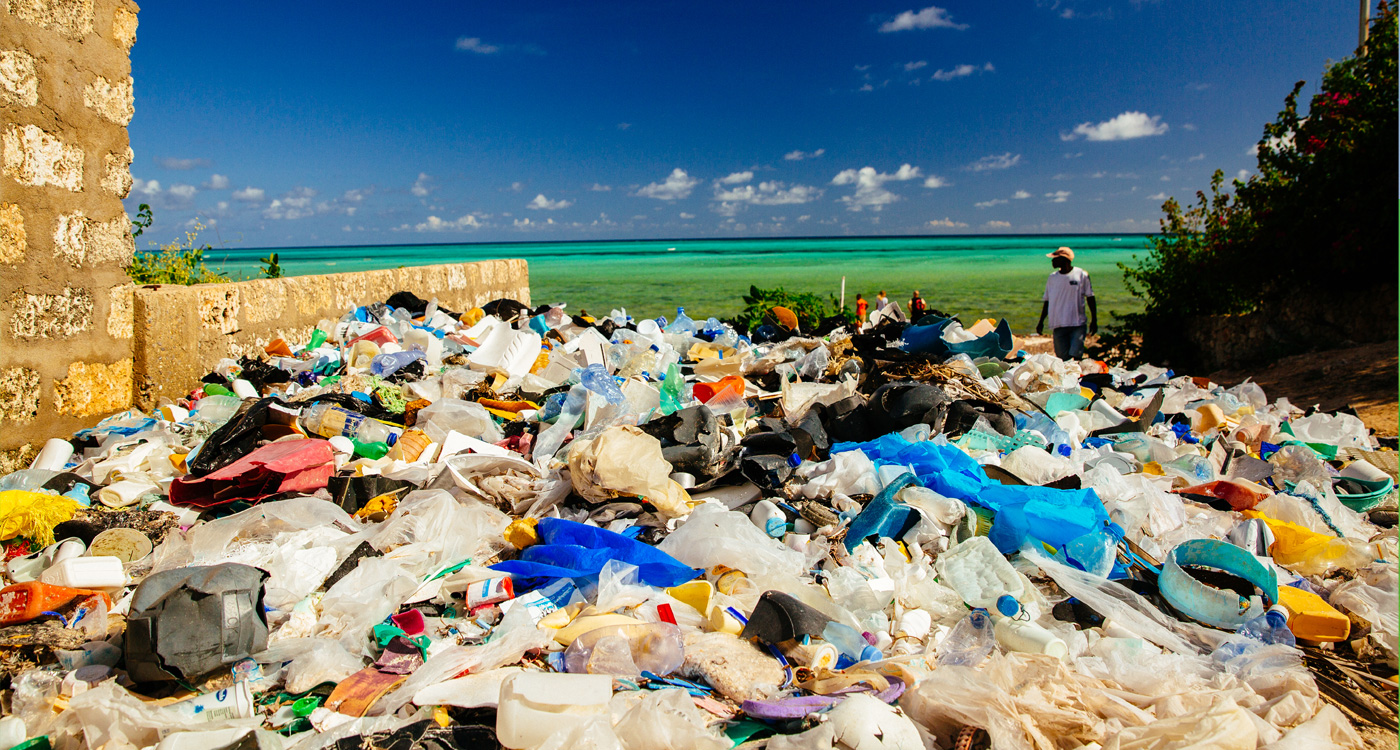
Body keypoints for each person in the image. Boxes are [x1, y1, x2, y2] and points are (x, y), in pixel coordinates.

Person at [1035, 246, 1097, 360]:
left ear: (1064, 260)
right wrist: (1041, 321)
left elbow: (1090, 297)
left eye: (1055, 258)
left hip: (1077, 324)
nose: (1052, 261)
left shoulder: (1081, 275)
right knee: (1062, 360)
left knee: (1076, 356)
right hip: (1058, 324)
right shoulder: (1052, 278)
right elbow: (1047, 301)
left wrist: (1094, 319)